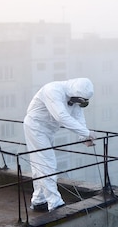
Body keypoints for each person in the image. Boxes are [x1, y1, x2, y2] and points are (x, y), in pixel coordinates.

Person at [23, 78, 96, 212]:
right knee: (47, 163)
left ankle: (39, 200)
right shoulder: (53, 90)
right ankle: (55, 203)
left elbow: (78, 116)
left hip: (48, 130)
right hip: (36, 127)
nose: (77, 104)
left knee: (40, 164)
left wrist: (84, 136)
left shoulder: (74, 98)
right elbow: (61, 116)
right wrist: (86, 132)